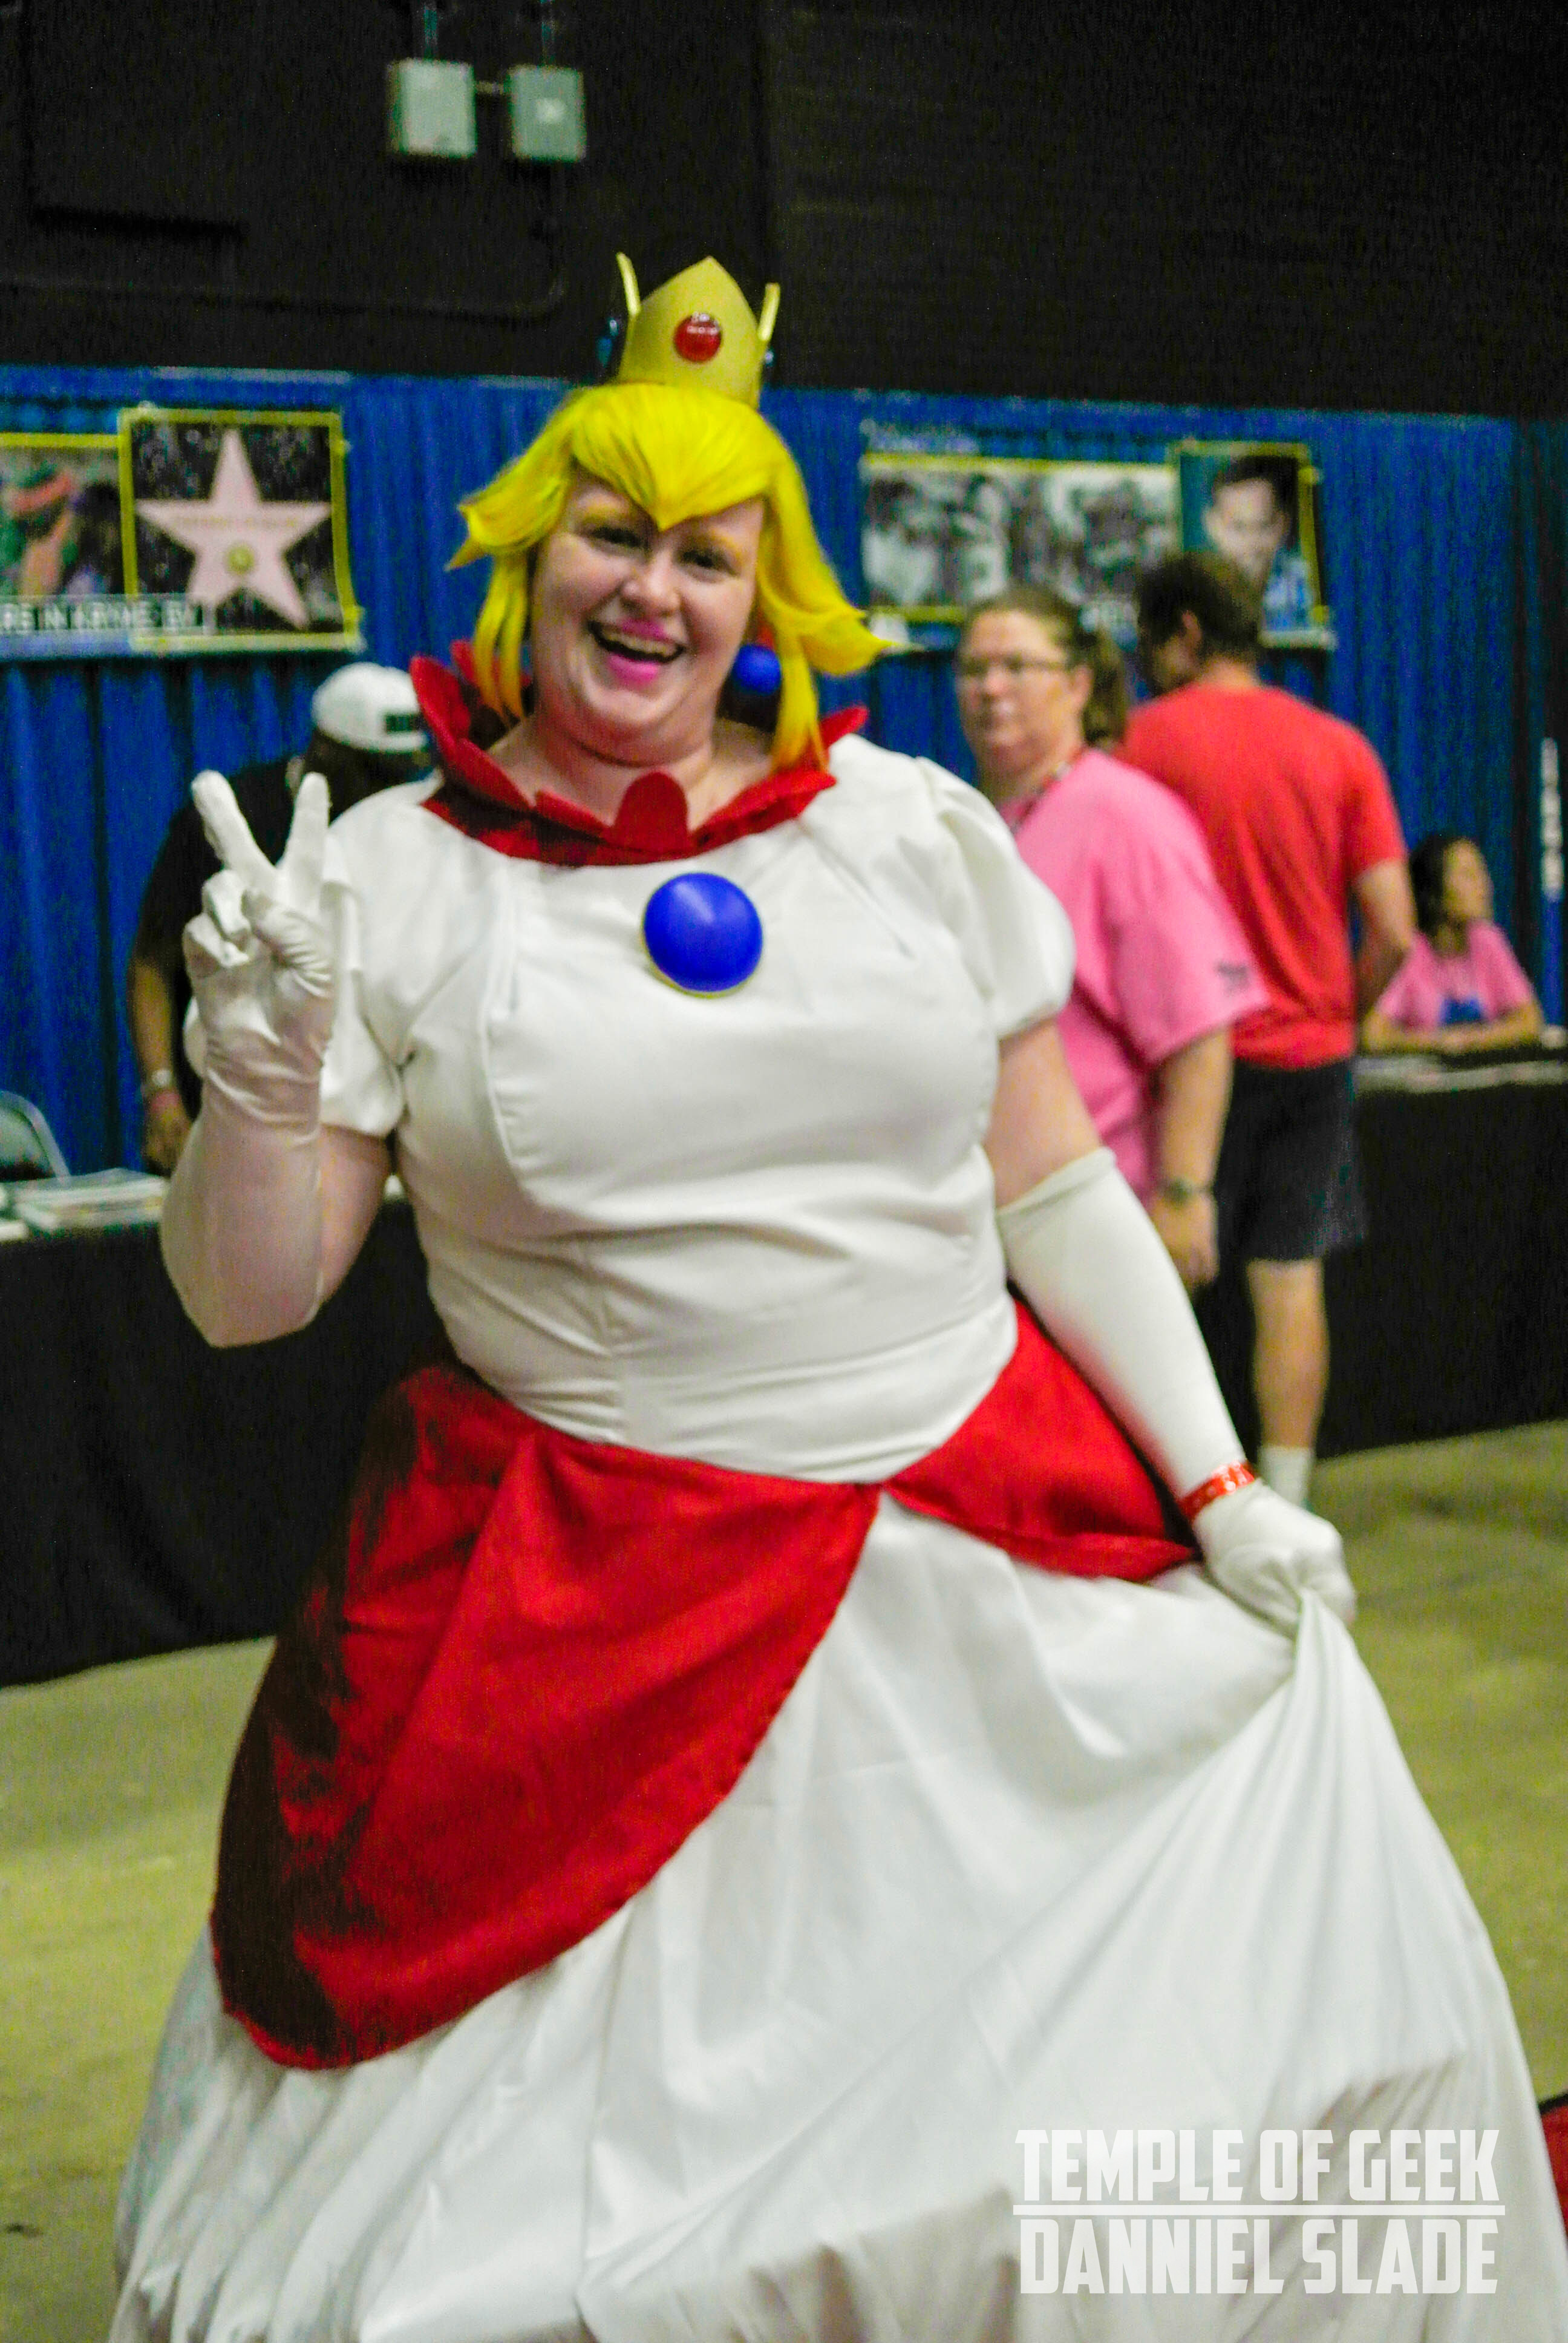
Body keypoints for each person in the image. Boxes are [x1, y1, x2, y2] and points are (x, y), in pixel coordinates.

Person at [111, 262, 1567, 2341]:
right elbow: (249, 1303)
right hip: (587, 1597)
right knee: (555, 2251)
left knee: (1206, 2096)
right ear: (532, 555)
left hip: (992, 1534)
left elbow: (1046, 1185)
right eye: (612, 534)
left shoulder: (907, 830)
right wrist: (261, 1074)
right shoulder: (400, 874)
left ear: (764, 594)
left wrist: (1222, 1482)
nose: (654, 589)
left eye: (708, 554)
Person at [1123, 551, 1417, 1513]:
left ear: (1185, 634)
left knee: (1162, 1286)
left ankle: (1173, 1504)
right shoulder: (1339, 745)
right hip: (1311, 1063)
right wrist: (1341, 1011)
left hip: (1182, 1062)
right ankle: (1285, 1508)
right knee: (1290, 1283)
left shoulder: (1139, 743)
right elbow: (1394, 929)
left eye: (1147, 643)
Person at [955, 586, 1268, 1291]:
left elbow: (1197, 1031)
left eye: (1016, 666)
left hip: (1095, 1210)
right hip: (988, 1219)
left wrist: (1184, 1192)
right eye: (973, 669)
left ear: (1076, 684)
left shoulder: (1127, 818)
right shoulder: (968, 821)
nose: (991, 689)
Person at [125, 662, 428, 1170]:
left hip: (367, 1135)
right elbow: (152, 964)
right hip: (229, 1123)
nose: (390, 794)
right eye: (377, 776)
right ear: (324, 754)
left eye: (405, 777)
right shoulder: (227, 821)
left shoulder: (406, 831)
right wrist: (162, 1096)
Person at [1363, 829, 1544, 1053]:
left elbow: (1530, 1021)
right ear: (1435, 891)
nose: (1485, 886)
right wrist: (1437, 1043)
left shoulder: (1488, 941)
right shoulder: (1411, 950)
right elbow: (1373, 1036)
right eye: (1469, 875)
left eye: (1483, 873)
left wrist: (1472, 1041)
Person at [1201, 451, 1315, 635]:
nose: (1251, 544)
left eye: (1264, 526)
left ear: (1283, 524)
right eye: (1238, 527)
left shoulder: (1311, 590)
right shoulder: (1193, 597)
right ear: (1212, 525)